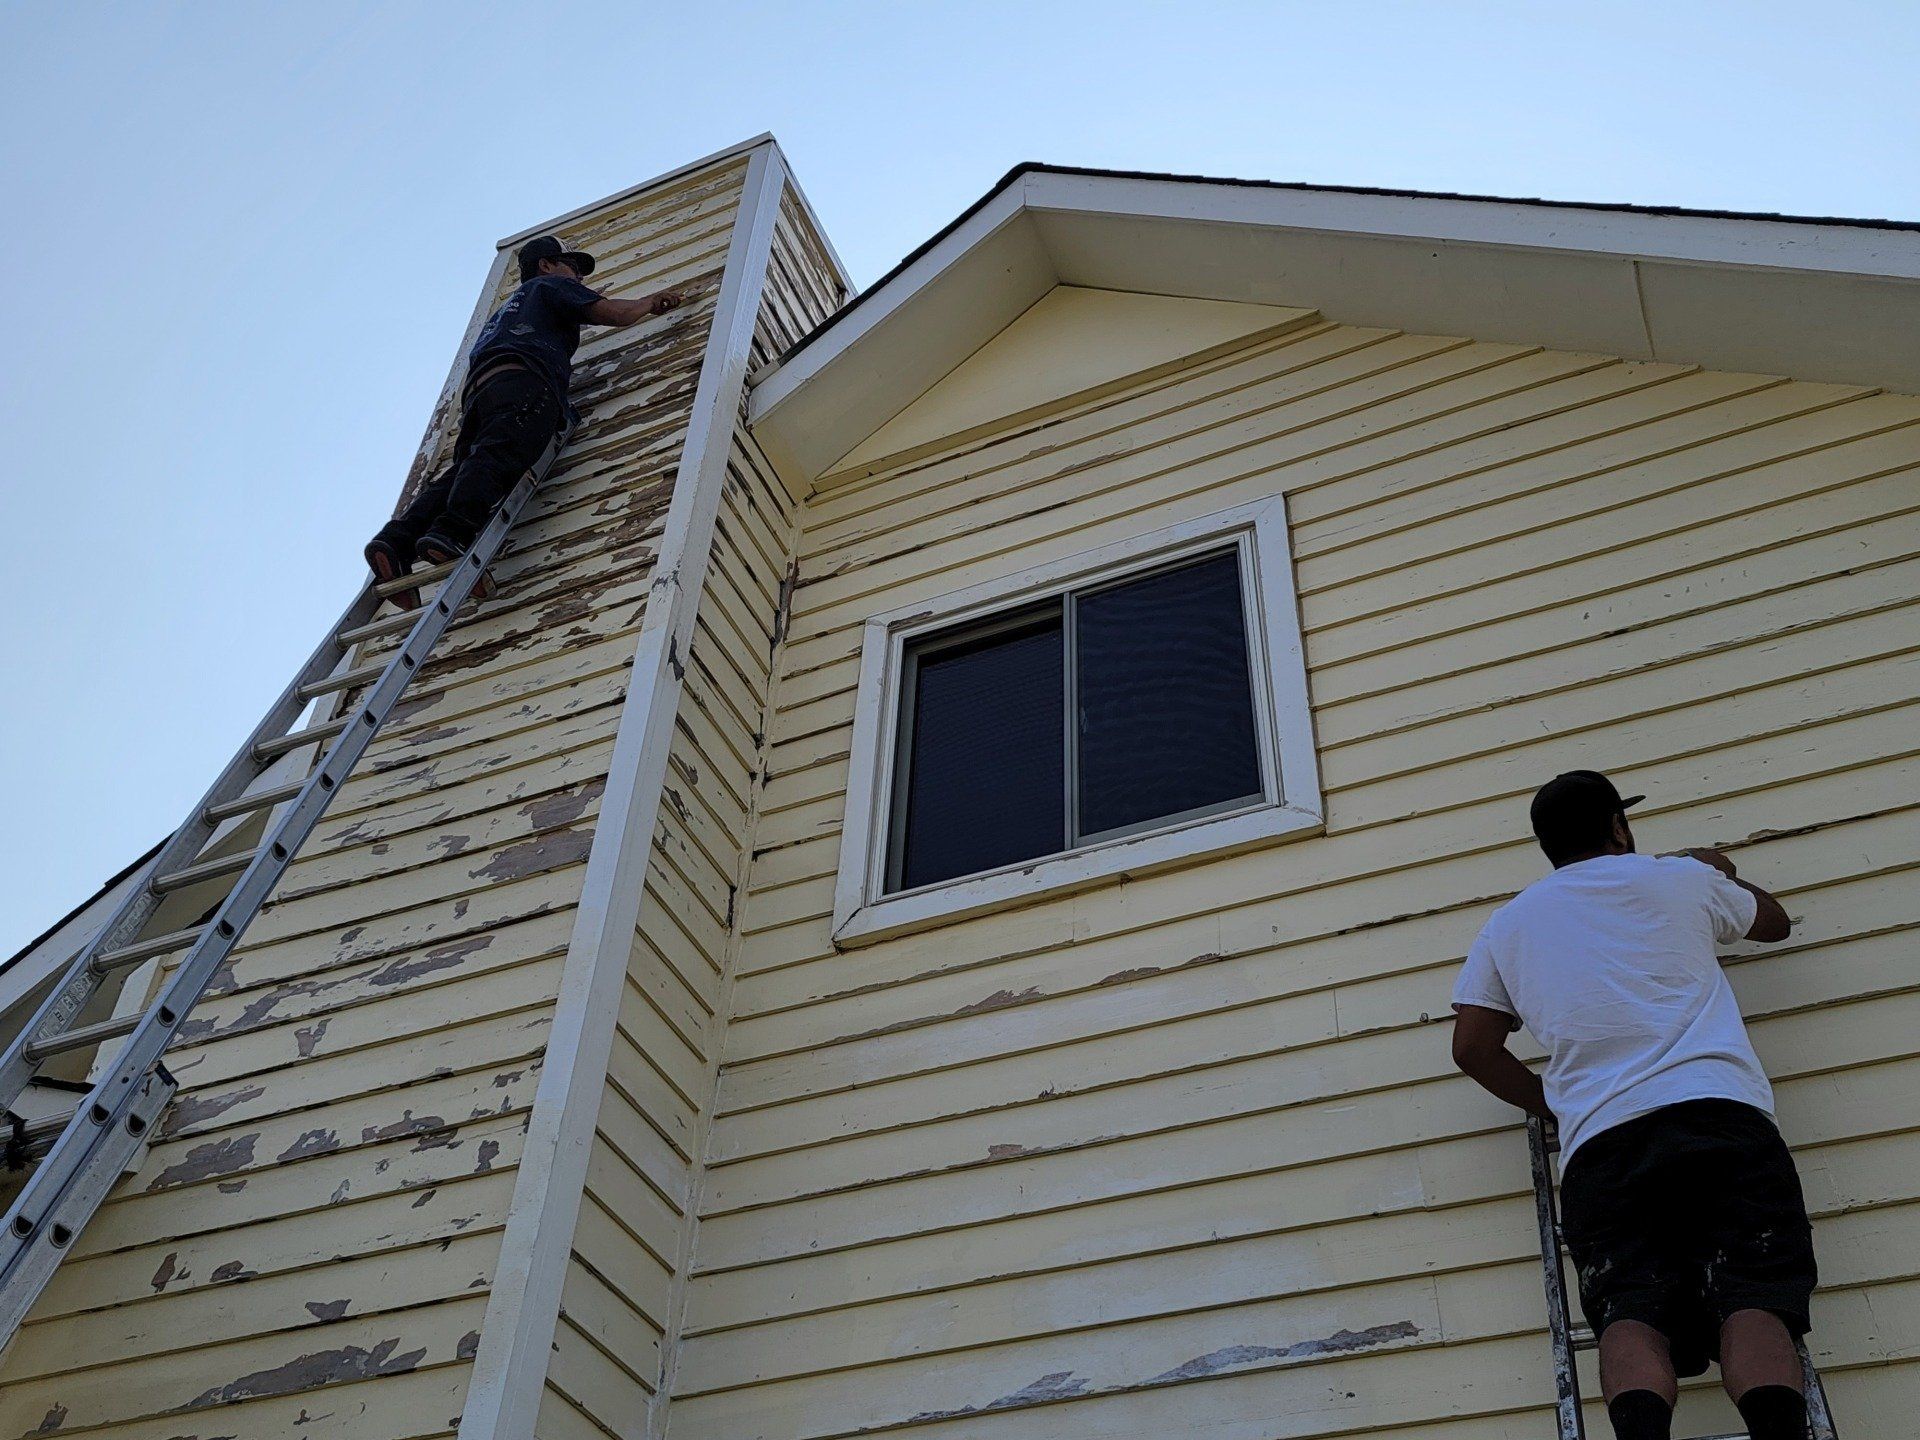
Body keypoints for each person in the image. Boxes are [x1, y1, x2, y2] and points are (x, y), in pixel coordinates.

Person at [1450, 770, 1815, 1440]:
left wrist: (1555, 1103)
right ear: (1618, 826)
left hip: (1603, 1146)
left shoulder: (1509, 925)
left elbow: (1473, 1047)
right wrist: (1718, 871)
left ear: (1548, 846)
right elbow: (1775, 925)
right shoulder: (1677, 878)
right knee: (1754, 1295)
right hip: (1721, 1121)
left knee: (1630, 1311)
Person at [365, 234, 684, 602]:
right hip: (525, 380)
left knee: (466, 467)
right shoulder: (551, 287)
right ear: (546, 265)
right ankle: (453, 534)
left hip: (482, 390)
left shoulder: (504, 312)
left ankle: (395, 542)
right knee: (502, 453)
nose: (578, 278)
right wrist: (648, 302)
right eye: (572, 267)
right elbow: (613, 314)